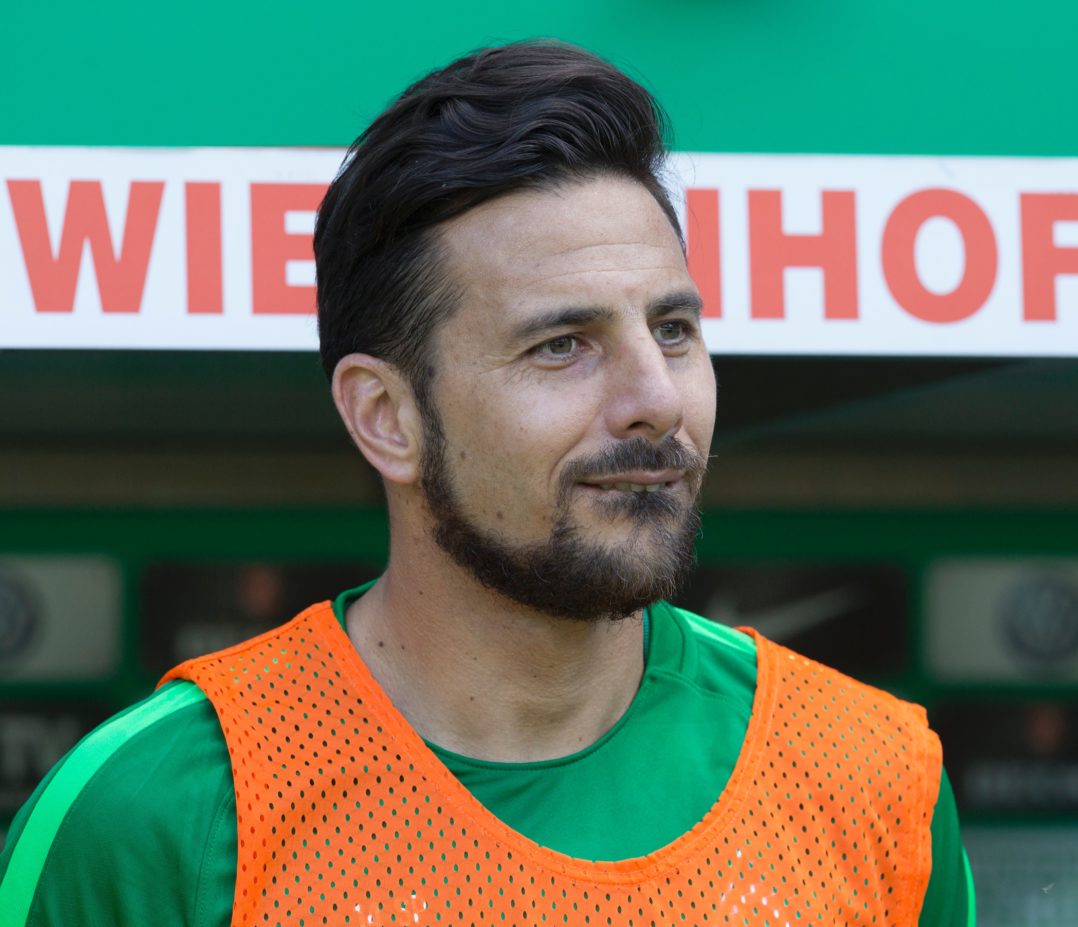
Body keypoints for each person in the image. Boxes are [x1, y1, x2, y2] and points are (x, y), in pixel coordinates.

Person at [0, 41, 973, 926]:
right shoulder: (157, 808)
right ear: (387, 417)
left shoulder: (872, 778)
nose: (654, 400)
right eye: (562, 346)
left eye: (673, 331)